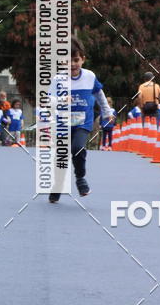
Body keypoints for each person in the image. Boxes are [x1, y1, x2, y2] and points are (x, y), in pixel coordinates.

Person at [48, 37, 114, 203]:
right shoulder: (58, 80)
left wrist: (106, 112)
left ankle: (80, 179)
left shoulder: (90, 77)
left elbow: (99, 94)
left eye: (76, 60)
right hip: (63, 123)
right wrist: (62, 101)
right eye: (68, 61)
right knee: (61, 157)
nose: (72, 64)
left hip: (83, 122)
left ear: (82, 59)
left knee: (77, 148)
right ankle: (58, 185)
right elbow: (48, 100)